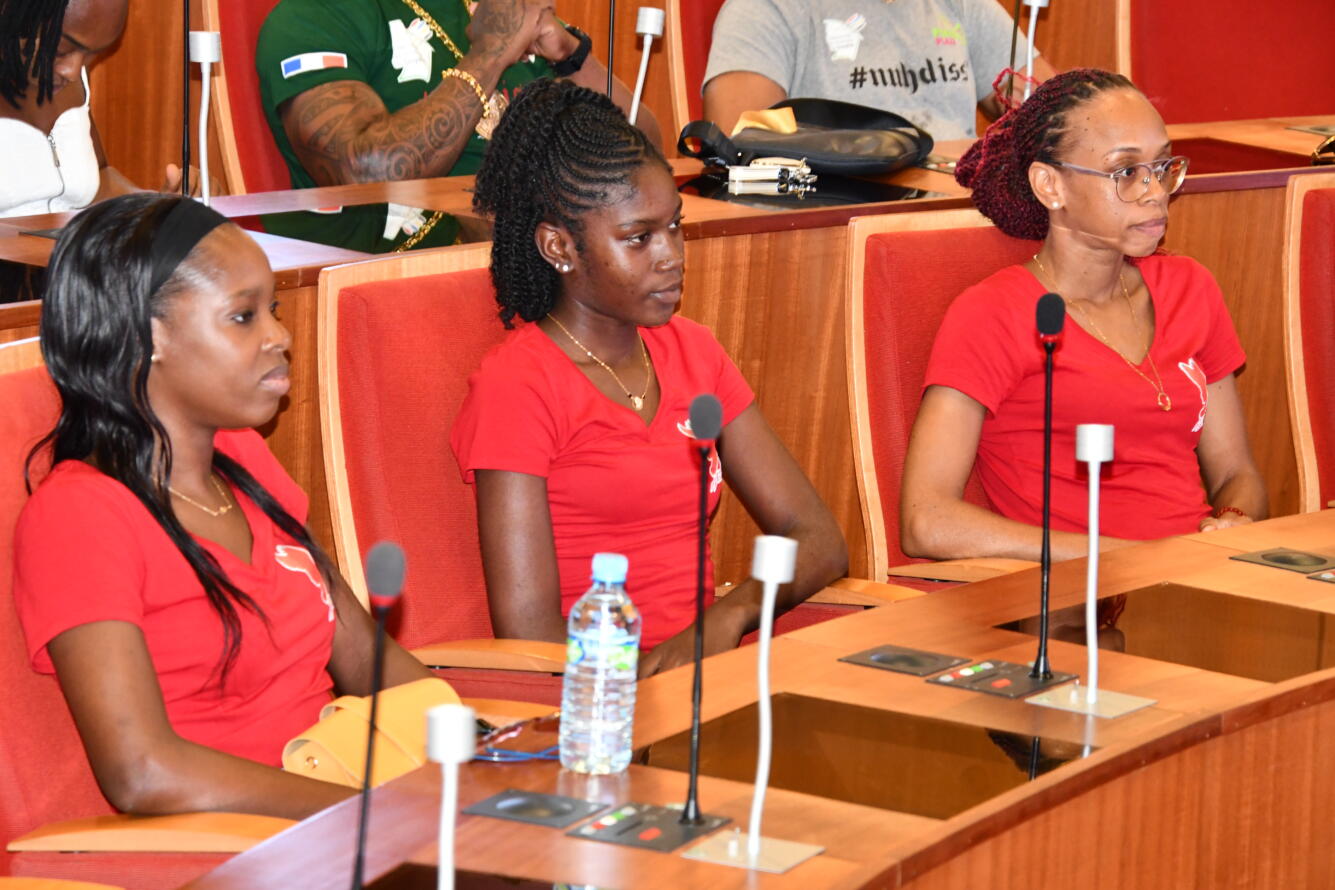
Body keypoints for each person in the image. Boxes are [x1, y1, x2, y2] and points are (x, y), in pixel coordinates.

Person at [13, 193, 440, 819]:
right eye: (244, 317)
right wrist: (367, 819)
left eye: (273, 310)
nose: (280, 335)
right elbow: (142, 774)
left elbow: (361, 654)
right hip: (226, 843)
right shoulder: (80, 517)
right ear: (148, 337)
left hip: (340, 795)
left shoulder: (242, 458)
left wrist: (476, 755)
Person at [451, 79, 847, 677]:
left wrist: (727, 618)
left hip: (703, 680)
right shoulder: (518, 386)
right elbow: (528, 633)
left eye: (675, 227)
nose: (671, 256)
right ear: (559, 247)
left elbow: (817, 536)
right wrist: (647, 677)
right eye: (638, 238)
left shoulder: (694, 352)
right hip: (599, 695)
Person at [900, 68, 1268, 564]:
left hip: (1197, 576)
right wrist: (1120, 560)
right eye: (1126, 172)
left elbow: (1235, 473)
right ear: (1050, 185)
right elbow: (926, 522)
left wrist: (1234, 520)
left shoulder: (1190, 288)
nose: (1155, 191)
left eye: (1162, 166)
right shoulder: (994, 314)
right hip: (1082, 592)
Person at [255, 0, 663, 251]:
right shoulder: (315, 14)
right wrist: (491, 54)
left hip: (532, 271)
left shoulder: (499, 9)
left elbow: (642, 157)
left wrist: (569, 55)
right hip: (383, 279)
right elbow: (363, 170)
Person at [702, 0, 1056, 141]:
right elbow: (739, 143)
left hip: (964, 210)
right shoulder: (766, 8)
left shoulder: (961, 4)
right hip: (847, 223)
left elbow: (1060, 115)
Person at [0, 0, 196, 219]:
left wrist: (155, 204)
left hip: (66, 241)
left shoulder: (68, 81)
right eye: (61, 50)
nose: (73, 72)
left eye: (90, 53)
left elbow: (100, 180)